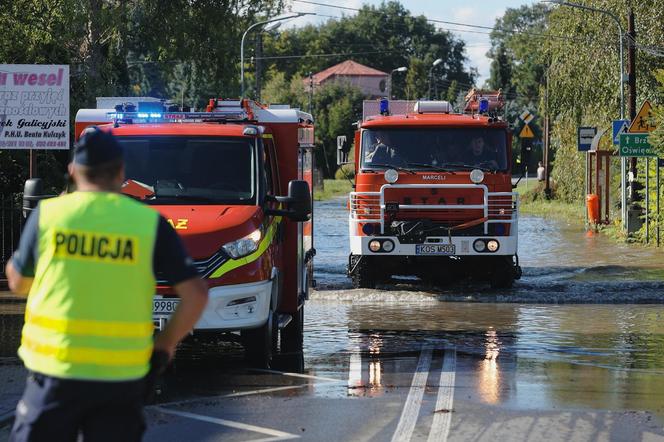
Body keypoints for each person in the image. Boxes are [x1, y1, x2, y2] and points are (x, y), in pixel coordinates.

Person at [5, 128, 208, 441]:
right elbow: (195, 295)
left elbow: (17, 282)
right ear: (121, 173)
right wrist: (164, 345)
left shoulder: (49, 215)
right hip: (121, 380)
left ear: (73, 171)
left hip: (55, 373)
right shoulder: (148, 223)